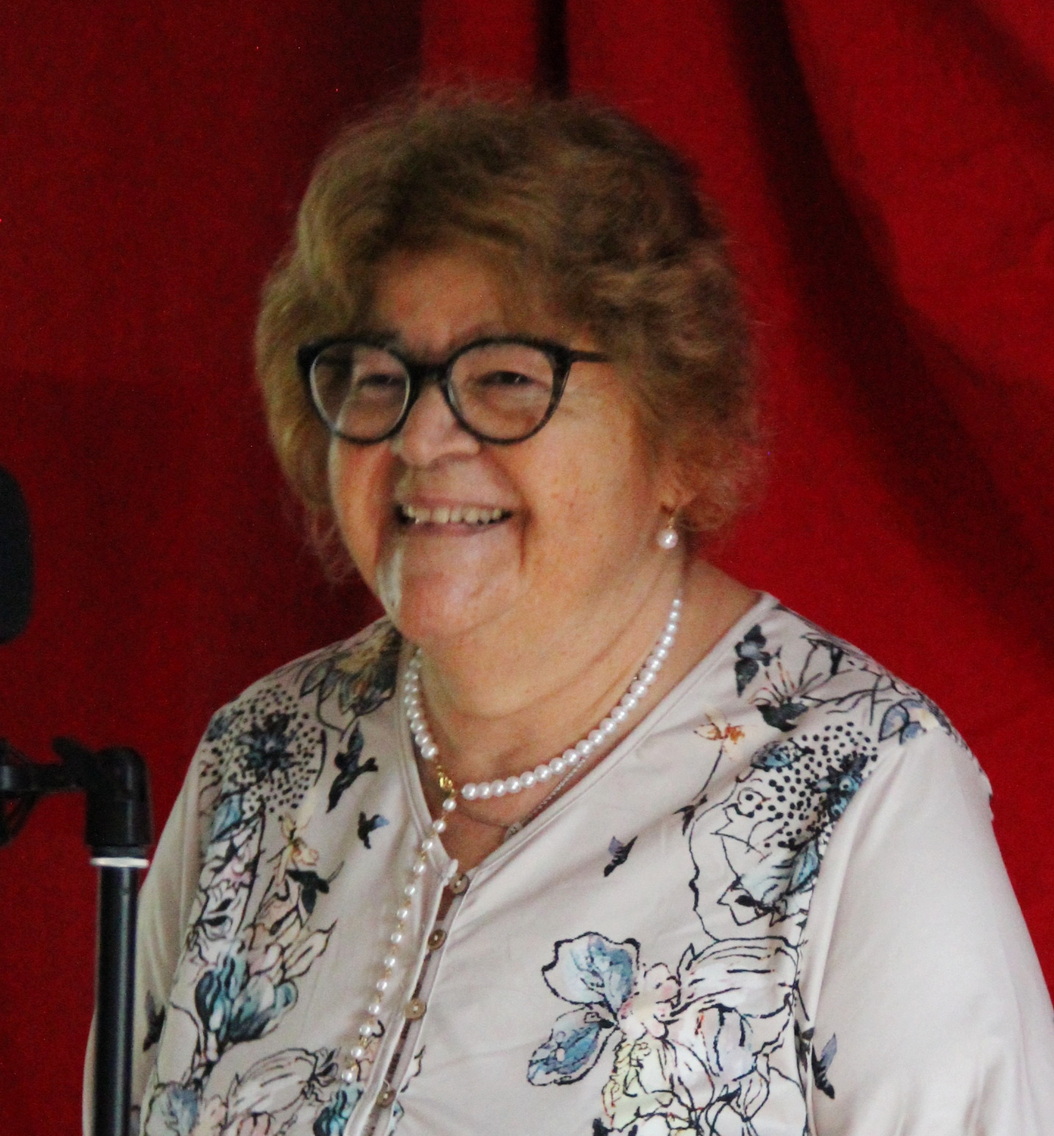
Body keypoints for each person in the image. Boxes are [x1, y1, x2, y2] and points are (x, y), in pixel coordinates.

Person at [116, 91, 1054, 1136]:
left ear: (678, 441)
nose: (420, 437)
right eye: (378, 377)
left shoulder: (861, 796)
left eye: (506, 378)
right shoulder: (258, 760)